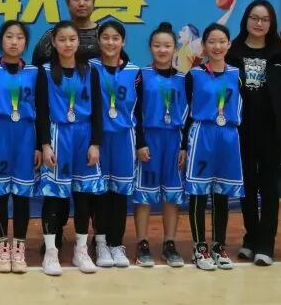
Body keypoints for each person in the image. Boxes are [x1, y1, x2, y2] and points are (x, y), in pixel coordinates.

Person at [228, 0, 281, 266]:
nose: (258, 23)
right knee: (247, 186)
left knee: (268, 186)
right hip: (241, 130)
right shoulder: (232, 51)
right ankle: (251, 238)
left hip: (271, 131)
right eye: (254, 18)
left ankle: (266, 243)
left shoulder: (280, 53)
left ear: (271, 23)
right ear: (246, 20)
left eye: (264, 19)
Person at [37, 21, 104, 276]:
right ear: (54, 43)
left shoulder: (90, 71)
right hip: (58, 134)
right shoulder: (45, 72)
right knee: (54, 196)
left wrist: (95, 143)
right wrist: (45, 145)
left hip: (84, 135)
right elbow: (41, 111)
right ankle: (51, 252)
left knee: (83, 196)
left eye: (72, 39)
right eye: (62, 39)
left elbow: (98, 110)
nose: (67, 44)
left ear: (78, 42)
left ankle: (81, 250)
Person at [182, 23, 244, 271]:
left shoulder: (237, 74)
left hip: (228, 135)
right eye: (212, 42)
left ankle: (218, 246)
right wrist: (183, 145)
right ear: (204, 45)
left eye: (222, 41)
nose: (217, 46)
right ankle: (199, 247)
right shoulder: (194, 75)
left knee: (222, 193)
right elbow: (185, 113)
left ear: (229, 44)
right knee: (198, 192)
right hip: (202, 134)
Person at [0, 20, 41, 274]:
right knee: (0, 193)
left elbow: (43, 110)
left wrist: (39, 145)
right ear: (0, 40)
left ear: (26, 42)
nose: (14, 42)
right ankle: (2, 248)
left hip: (26, 134)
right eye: (9, 36)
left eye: (19, 37)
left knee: (22, 195)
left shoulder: (35, 72)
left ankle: (19, 248)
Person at [133, 22, 188, 268]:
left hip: (174, 139)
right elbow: (134, 112)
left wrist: (184, 146)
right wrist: (140, 142)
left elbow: (190, 114)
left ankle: (169, 243)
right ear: (150, 48)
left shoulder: (184, 78)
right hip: (150, 139)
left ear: (174, 48)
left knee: (172, 195)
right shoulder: (141, 76)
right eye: (157, 45)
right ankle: (142, 242)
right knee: (144, 195)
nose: (162, 50)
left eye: (167, 45)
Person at [89, 21, 141, 268]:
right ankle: (100, 242)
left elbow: (140, 110)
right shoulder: (90, 68)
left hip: (123, 138)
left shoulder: (134, 71)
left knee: (119, 193)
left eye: (116, 38)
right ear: (99, 40)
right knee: (99, 192)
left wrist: (141, 142)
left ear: (123, 41)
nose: (110, 42)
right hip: (97, 138)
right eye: (106, 37)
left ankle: (116, 243)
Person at [31, 0, 99, 67]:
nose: (81, 3)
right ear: (67, 2)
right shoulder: (52, 36)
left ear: (93, 2)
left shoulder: (104, 36)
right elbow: (36, 69)